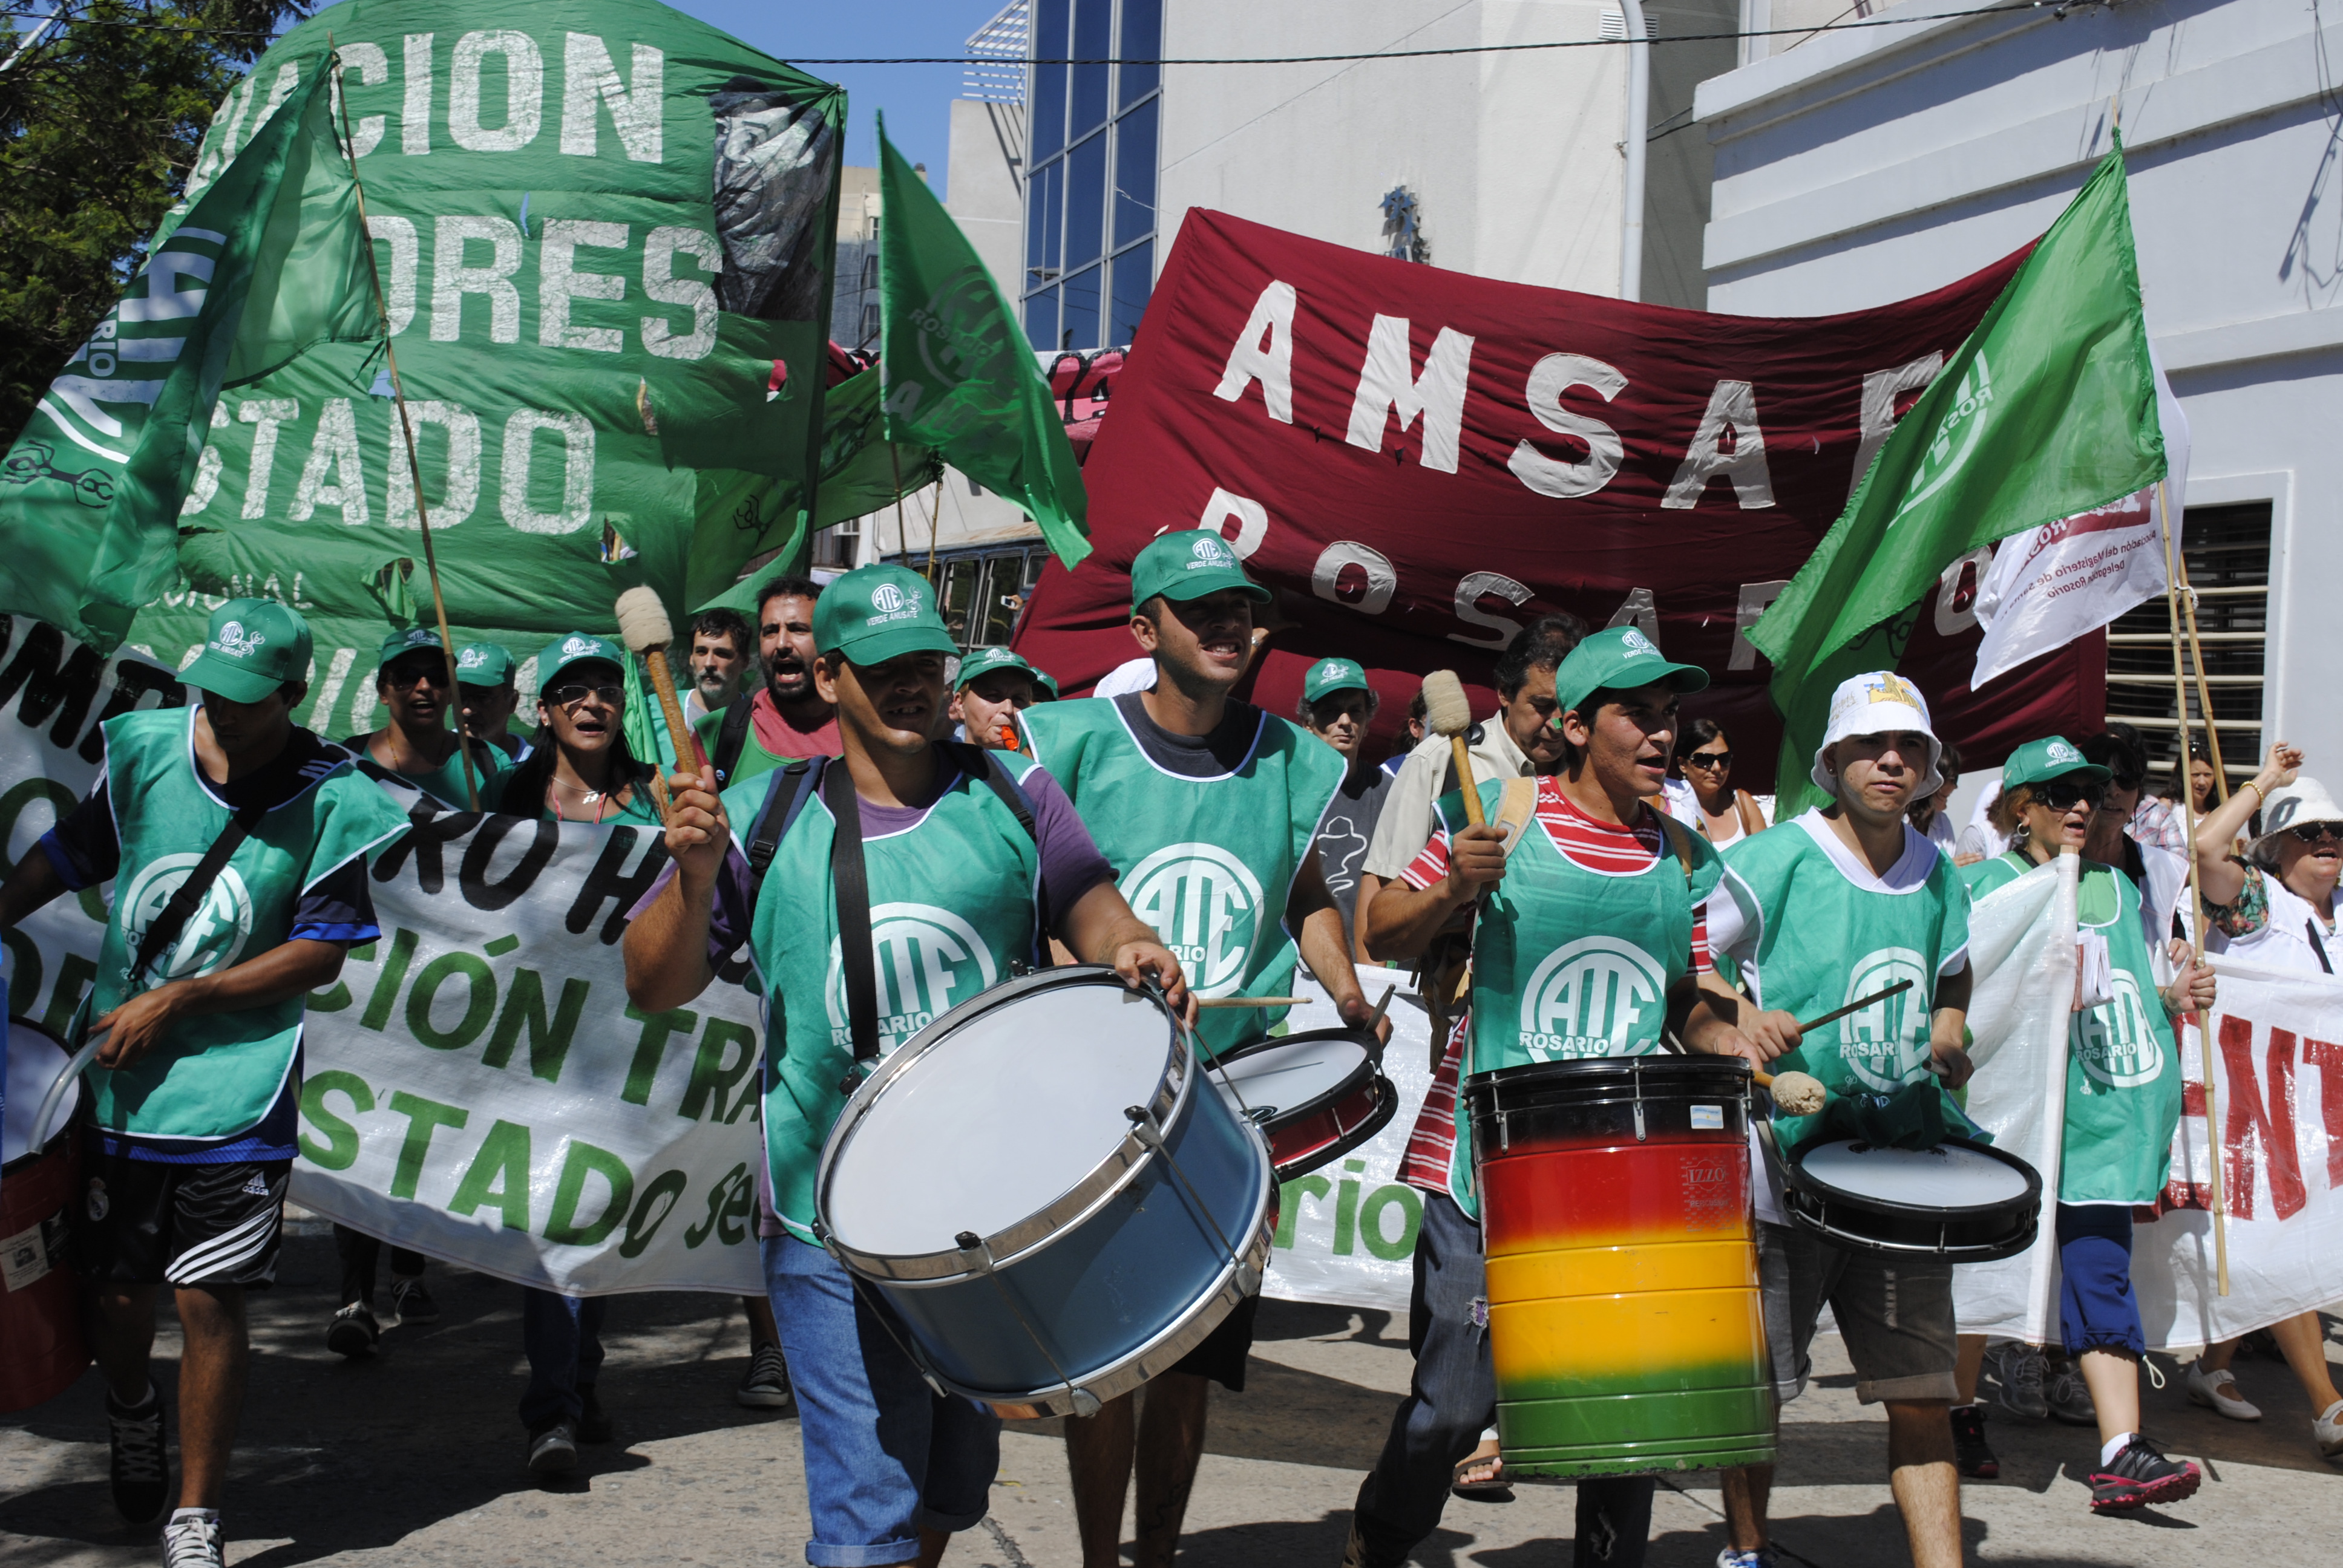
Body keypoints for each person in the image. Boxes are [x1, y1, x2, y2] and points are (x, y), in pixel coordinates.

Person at [623, 563, 1192, 1568]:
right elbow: (651, 983)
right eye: (884, 667)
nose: (910, 687)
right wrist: (692, 875)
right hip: (825, 1219)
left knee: (948, 1484)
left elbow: (1089, 899)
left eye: (926, 664)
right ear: (830, 675)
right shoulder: (762, 818)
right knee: (865, 1513)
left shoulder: (1014, 791)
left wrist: (1129, 941)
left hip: (992, 1219)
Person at [0, 600, 410, 1568]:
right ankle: (133, 1406)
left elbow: (320, 955)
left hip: (241, 1089)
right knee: (115, 1296)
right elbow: (70, 854)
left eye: (243, 699)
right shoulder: (146, 751)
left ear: (296, 694)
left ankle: (197, 1513)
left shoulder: (336, 794)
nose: (217, 711)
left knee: (208, 1298)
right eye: (207, 691)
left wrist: (183, 998)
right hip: (121, 1086)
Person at [1342, 627, 1758, 1568]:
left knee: (1630, 1414)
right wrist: (1451, 887)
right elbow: (1379, 932)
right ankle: (1381, 1539)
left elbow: (1686, 999)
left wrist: (1730, 1038)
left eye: (1670, 717)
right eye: (1636, 715)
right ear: (1575, 725)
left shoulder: (1684, 857)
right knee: (1450, 1407)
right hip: (1480, 1169)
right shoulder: (1502, 812)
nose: (1661, 736)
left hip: (1618, 1177)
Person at [1020, 530, 1384, 1568]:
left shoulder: (1292, 756)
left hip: (1230, 1101)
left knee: (1191, 1360)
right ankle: (1100, 1557)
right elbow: (1043, 892)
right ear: (1145, 629)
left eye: (1239, 607)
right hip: (1101, 1091)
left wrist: (1347, 987)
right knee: (1110, 1349)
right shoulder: (1071, 743)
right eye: (1200, 609)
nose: (1229, 625)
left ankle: (1159, 1554)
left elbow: (1305, 896)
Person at [1699, 671, 1976, 1568]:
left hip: (1898, 1169)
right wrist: (1742, 1020)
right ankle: (1746, 1552)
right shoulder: (1774, 856)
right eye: (1871, 746)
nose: (1892, 762)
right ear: (1833, 762)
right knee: (1761, 1387)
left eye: (1910, 749)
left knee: (1922, 1391)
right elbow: (1690, 960)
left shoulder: (1940, 872)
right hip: (1785, 1164)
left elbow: (1955, 974)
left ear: (1931, 767)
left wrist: (1948, 1022)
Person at [1958, 737, 2212, 1512]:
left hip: (2099, 1122)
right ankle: (1954, 1413)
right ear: (2016, 808)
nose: (2079, 806)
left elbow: (2123, 996)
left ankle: (2118, 1450)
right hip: (2009, 1122)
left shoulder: (2118, 888)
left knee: (2100, 1274)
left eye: (2088, 793)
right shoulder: (1984, 888)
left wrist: (2172, 998)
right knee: (1980, 1270)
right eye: (2059, 793)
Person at [2184, 742, 2343, 1463]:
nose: (2328, 847)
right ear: (2278, 847)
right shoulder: (2254, 901)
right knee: (2285, 1245)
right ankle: (2328, 1406)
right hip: (2258, 1110)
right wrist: (2262, 783)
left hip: (2325, 1113)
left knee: (2265, 1248)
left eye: (2337, 836)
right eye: (2311, 835)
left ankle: (2212, 1363)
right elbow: (2202, 844)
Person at [692, 575, 842, 789]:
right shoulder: (716, 733)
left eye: (798, 629)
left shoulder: (864, 730)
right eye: (770, 632)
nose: (781, 644)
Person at [500, 635, 661, 829]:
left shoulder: (662, 787)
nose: (593, 703)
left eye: (609, 692)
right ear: (544, 712)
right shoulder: (502, 789)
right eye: (573, 691)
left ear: (622, 710)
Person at [343, 627, 509, 810]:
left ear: (451, 693)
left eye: (438, 677)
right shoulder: (344, 760)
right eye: (407, 677)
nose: (424, 686)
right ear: (383, 691)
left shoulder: (491, 762)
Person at [1297, 657, 1394, 962]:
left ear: (1367, 723)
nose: (1344, 721)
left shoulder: (1390, 792)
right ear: (1308, 725)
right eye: (1330, 712)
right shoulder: (1288, 790)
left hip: (1368, 965)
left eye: (1355, 711)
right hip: (1298, 964)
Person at [1680, 717, 1771, 846]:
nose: (1717, 768)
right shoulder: (1670, 808)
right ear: (1683, 764)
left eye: (1724, 758)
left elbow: (1765, 855)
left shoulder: (1742, 802)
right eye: (1704, 760)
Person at [950, 645, 1040, 751]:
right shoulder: (938, 765)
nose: (1008, 709)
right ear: (960, 704)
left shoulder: (1036, 766)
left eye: (1018, 699)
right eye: (993, 696)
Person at [456, 642, 529, 762]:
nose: (468, 710)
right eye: (460, 696)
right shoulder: (430, 757)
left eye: (482, 698)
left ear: (512, 702)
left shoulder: (538, 768)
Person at [683, 606, 755, 725]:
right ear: (691, 658)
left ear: (744, 662)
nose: (709, 663)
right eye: (701, 652)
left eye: (722, 653)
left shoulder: (758, 718)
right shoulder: (657, 713)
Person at [1380, 690, 1428, 782]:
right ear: (1415, 727)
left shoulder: (1460, 771)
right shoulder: (1389, 774)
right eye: (1434, 725)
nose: (1444, 736)